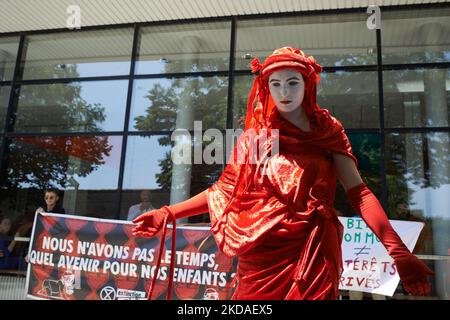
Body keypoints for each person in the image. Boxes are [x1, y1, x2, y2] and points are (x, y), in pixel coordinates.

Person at [132, 47, 434, 300]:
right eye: (275, 84)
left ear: (308, 85)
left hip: (313, 252)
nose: (284, 92)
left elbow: (359, 192)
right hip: (261, 255)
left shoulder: (328, 131)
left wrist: (399, 252)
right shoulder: (255, 137)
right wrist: (168, 212)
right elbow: (222, 192)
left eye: (292, 82)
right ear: (266, 87)